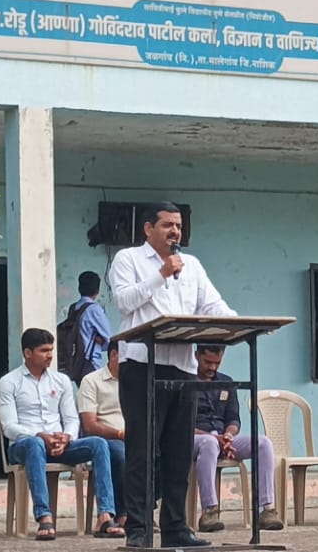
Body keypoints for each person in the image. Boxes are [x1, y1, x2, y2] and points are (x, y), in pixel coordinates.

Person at [108, 201, 234, 549]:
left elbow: (212, 305)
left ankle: (176, 527)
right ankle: (138, 528)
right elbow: (124, 302)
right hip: (142, 365)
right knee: (142, 451)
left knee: (179, 453)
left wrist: (237, 323)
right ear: (148, 228)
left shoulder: (191, 265)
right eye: (167, 225)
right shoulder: (128, 259)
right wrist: (161, 274)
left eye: (178, 226)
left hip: (183, 367)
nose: (175, 232)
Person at [0, 327, 124, 540]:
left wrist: (67, 437)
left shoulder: (61, 380)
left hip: (60, 444)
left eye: (51, 350)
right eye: (44, 350)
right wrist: (40, 435)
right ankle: (44, 516)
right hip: (23, 446)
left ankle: (105, 515)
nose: (50, 355)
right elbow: (9, 426)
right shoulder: (9, 382)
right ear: (27, 353)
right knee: (35, 444)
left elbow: (72, 419)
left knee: (99, 444)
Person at [191, 344, 284, 532]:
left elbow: (233, 419)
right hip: (194, 438)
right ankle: (210, 511)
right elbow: (181, 424)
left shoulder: (226, 382)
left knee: (263, 443)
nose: (212, 367)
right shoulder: (185, 382)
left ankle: (267, 509)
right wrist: (213, 437)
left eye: (217, 363)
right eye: (207, 362)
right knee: (210, 443)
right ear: (196, 355)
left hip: (222, 439)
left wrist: (228, 436)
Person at [77, 340, 127, 530]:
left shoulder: (136, 381)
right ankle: (124, 514)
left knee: (163, 454)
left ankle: (145, 510)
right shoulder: (91, 381)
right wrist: (120, 434)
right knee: (121, 454)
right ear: (113, 355)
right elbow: (90, 425)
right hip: (108, 439)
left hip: (135, 437)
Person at [73, 271, 113, 373]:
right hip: (90, 361)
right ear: (97, 290)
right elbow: (109, 339)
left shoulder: (73, 308)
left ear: (79, 288)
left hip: (73, 361)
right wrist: (102, 342)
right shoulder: (94, 309)